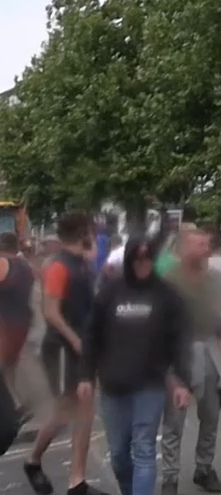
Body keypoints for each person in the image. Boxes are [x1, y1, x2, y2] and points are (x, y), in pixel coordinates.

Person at [84, 236, 192, 495]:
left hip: (150, 385)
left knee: (143, 450)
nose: (142, 264)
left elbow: (180, 340)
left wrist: (181, 381)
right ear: (129, 259)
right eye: (137, 258)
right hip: (113, 386)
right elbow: (92, 335)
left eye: (147, 258)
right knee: (120, 453)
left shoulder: (168, 295)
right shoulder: (110, 292)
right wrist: (85, 376)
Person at [24, 212, 109, 495]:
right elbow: (51, 312)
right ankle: (33, 460)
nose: (94, 236)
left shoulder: (83, 263)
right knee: (63, 414)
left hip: (80, 349)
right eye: (91, 231)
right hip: (61, 349)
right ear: (83, 232)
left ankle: (77, 482)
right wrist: (75, 341)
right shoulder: (59, 267)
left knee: (85, 410)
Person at [161, 227, 221, 495]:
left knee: (210, 416)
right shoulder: (169, 279)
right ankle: (170, 477)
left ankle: (204, 469)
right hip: (179, 353)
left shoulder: (216, 278)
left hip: (211, 350)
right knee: (174, 420)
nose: (205, 248)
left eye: (206, 243)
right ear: (183, 248)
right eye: (198, 244)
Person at [0, 232, 35, 401]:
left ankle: (11, 404)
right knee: (9, 366)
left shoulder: (2, 263)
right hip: (22, 321)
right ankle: (15, 400)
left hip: (5, 322)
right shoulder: (26, 266)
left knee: (4, 366)